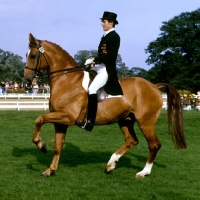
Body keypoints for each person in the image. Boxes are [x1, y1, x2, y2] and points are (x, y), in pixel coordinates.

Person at [84, 11, 123, 132]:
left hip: (106, 69)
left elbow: (111, 56)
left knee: (92, 89)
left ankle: (90, 121)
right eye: (102, 21)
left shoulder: (115, 37)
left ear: (111, 23)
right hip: (99, 66)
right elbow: (102, 54)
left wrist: (95, 59)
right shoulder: (105, 36)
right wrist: (92, 63)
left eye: (104, 22)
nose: (102, 24)